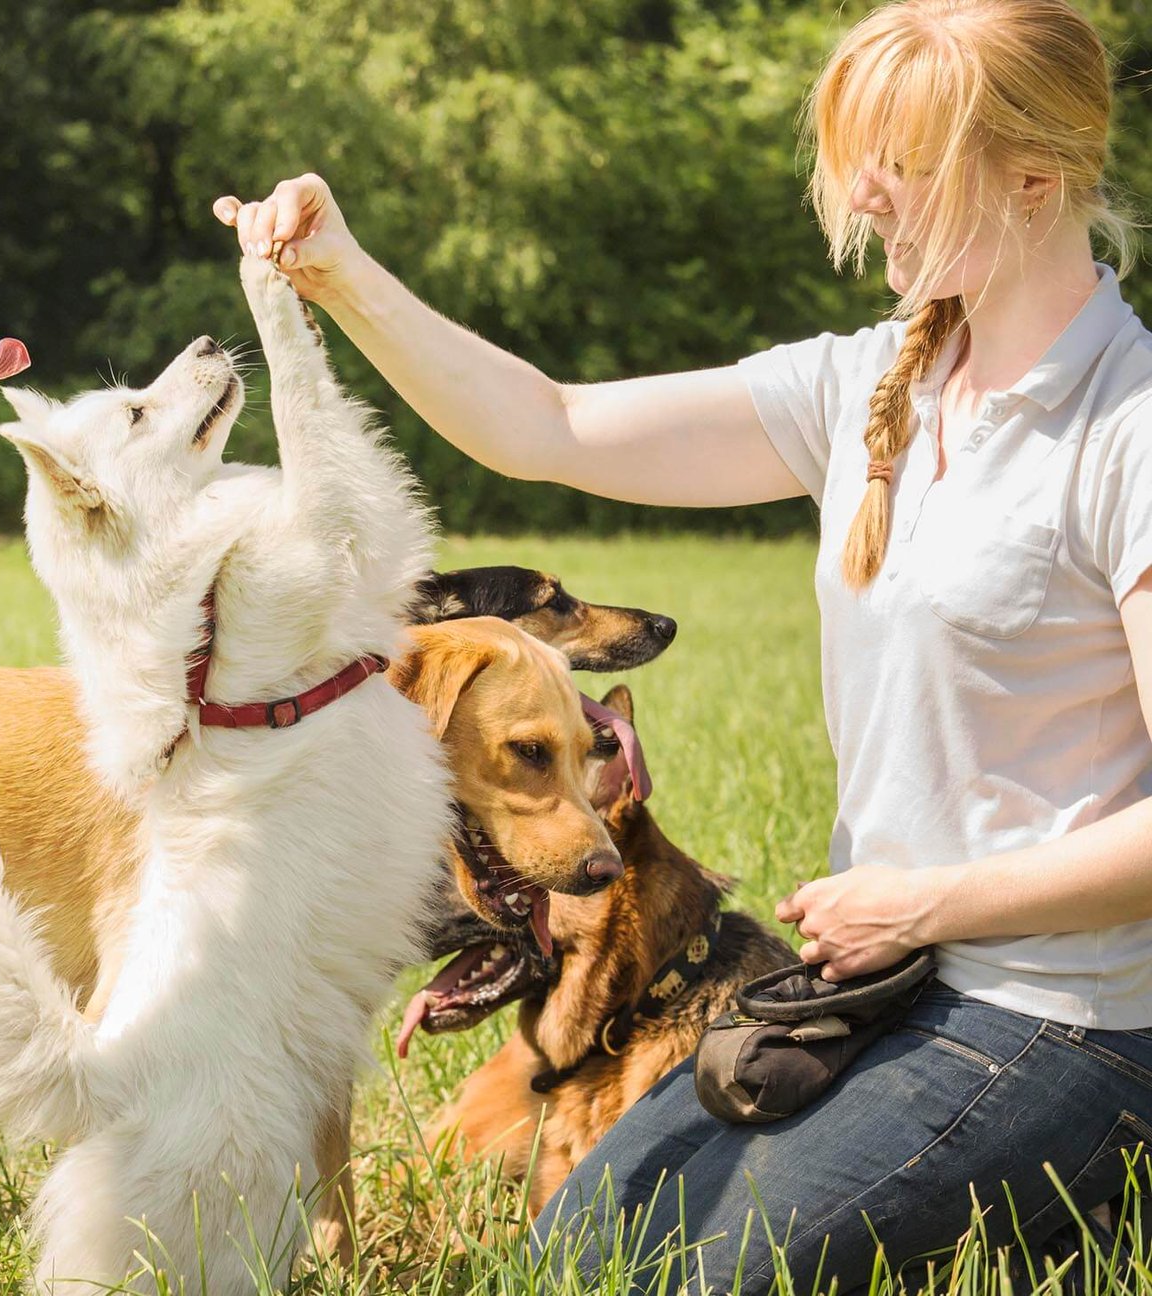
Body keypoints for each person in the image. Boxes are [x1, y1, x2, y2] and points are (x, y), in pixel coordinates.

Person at [214, 0, 1152, 1288]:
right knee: (578, 1250)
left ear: (1035, 178)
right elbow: (553, 424)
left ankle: (1089, 1184)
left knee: (691, 1274)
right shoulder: (872, 386)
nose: (865, 193)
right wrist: (345, 272)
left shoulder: (1130, 428)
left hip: (1068, 1018)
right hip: (886, 985)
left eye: (902, 160)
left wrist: (933, 900)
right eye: (857, 157)